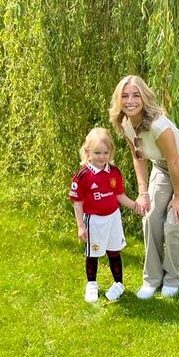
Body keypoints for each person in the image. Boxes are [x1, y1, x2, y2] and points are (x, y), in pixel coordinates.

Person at [109, 75, 179, 299]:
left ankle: (172, 279)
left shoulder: (158, 126)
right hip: (163, 167)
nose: (130, 101)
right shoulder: (126, 123)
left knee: (174, 221)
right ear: (118, 99)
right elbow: (138, 156)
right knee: (151, 217)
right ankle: (152, 279)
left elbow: (175, 162)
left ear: (144, 97)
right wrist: (143, 192)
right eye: (125, 96)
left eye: (136, 95)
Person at [69, 127, 143, 303]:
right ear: (88, 152)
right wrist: (81, 226)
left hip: (113, 219)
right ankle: (92, 284)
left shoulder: (114, 172)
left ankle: (119, 284)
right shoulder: (83, 176)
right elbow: (77, 202)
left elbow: (119, 195)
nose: (102, 157)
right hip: (94, 221)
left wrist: (135, 205)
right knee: (93, 254)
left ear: (111, 151)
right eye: (97, 153)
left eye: (105, 152)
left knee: (114, 251)